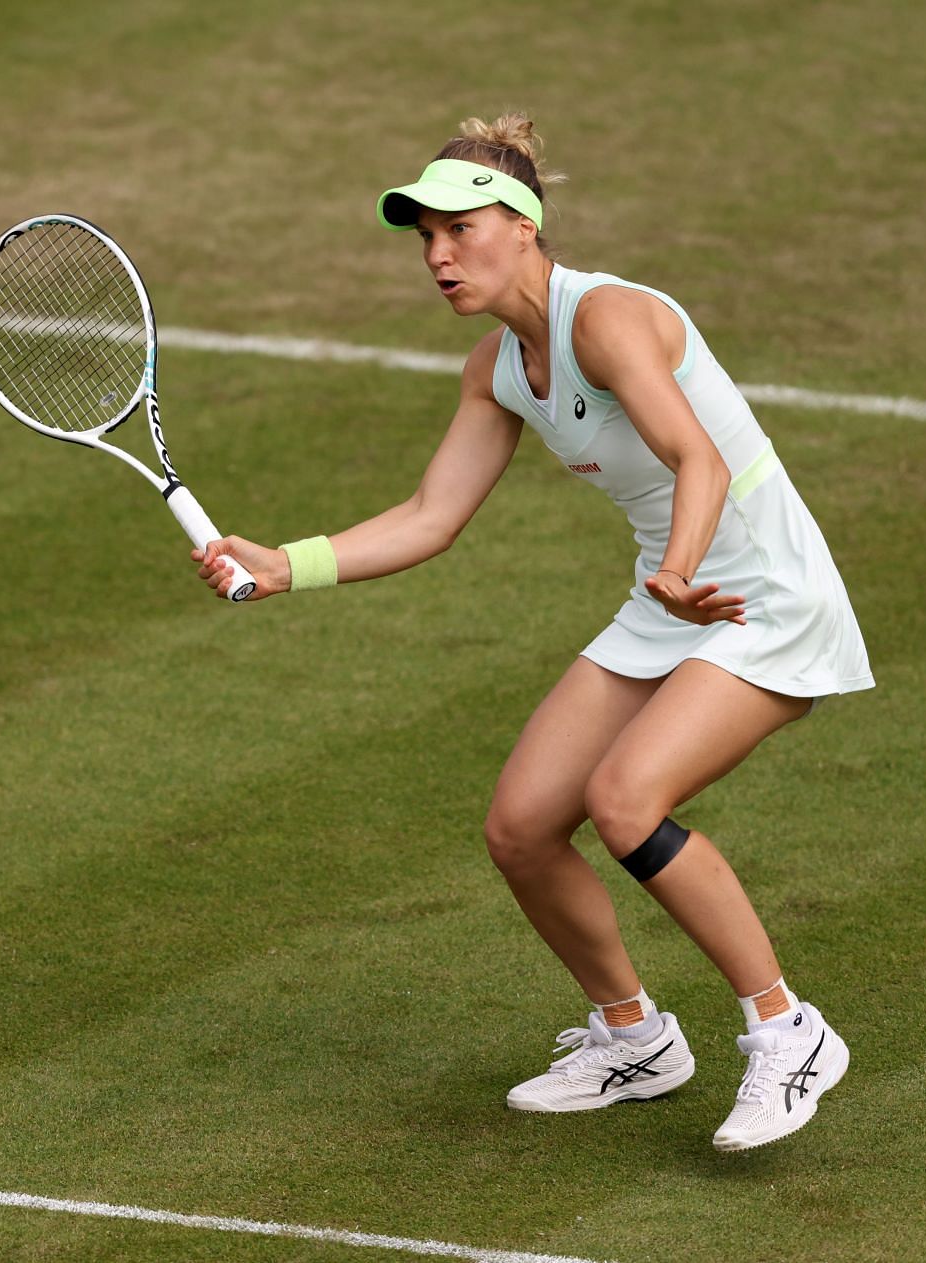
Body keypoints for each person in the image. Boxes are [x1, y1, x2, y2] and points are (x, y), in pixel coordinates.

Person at [191, 113, 874, 1151]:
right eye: (423, 237)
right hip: (671, 595)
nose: (437, 255)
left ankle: (790, 1031)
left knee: (624, 801)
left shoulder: (607, 319)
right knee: (519, 827)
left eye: (457, 230)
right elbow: (431, 516)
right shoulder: (499, 366)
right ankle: (635, 1039)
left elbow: (703, 461)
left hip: (764, 596)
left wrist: (682, 570)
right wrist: (288, 564)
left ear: (520, 224)